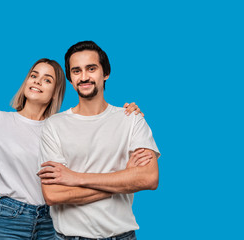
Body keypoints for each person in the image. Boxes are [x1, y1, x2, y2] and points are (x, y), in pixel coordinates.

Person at [0, 53, 142, 240]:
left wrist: (126, 113)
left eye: (47, 80)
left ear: (55, 92)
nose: (37, 81)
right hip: (10, 219)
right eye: (34, 76)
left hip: (53, 219)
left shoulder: (60, 128)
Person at [38, 41, 160, 240]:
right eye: (76, 71)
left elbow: (149, 178)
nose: (84, 77)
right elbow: (53, 194)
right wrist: (125, 177)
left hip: (121, 236)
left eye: (91, 69)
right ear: (70, 79)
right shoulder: (54, 125)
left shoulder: (131, 119)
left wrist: (76, 177)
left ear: (105, 73)